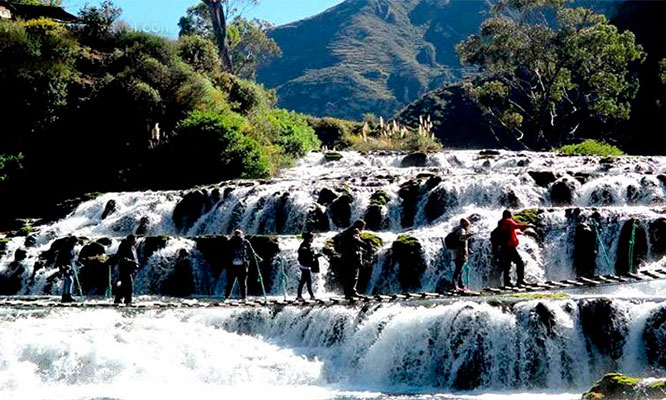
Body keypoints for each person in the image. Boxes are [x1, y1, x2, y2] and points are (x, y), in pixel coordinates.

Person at [225, 230, 262, 300]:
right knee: (231, 282)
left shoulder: (245, 242)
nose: (238, 236)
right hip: (232, 266)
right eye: (236, 234)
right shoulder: (230, 242)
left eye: (239, 234)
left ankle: (244, 298)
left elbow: (252, 252)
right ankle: (226, 297)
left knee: (242, 283)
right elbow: (226, 253)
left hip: (243, 265)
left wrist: (258, 258)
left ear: (242, 235)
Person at [499, 210, 531, 287]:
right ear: (509, 215)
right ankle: (520, 280)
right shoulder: (508, 220)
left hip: (504, 246)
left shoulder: (501, 222)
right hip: (509, 247)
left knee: (507, 265)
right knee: (519, 262)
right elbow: (516, 226)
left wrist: (518, 233)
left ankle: (507, 282)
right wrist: (528, 226)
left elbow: (509, 231)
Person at [340, 220, 368, 300]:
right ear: (360, 225)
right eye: (363, 226)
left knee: (348, 275)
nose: (363, 228)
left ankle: (347, 293)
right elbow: (356, 240)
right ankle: (352, 291)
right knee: (354, 275)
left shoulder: (347, 231)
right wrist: (365, 245)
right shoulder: (355, 230)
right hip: (352, 257)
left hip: (346, 256)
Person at [449, 218, 473, 291]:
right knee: (458, 270)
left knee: (460, 270)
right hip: (460, 253)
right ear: (465, 224)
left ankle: (461, 285)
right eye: (468, 225)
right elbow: (462, 239)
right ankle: (454, 285)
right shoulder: (462, 230)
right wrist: (468, 236)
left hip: (454, 252)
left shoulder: (456, 230)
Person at [296, 232, 322, 301]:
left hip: (305, 266)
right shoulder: (303, 246)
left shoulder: (307, 245)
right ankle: (307, 296)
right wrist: (314, 256)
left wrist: (315, 255)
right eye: (312, 238)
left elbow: (310, 255)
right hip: (304, 266)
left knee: (305, 281)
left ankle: (307, 295)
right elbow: (306, 254)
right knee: (306, 281)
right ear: (309, 238)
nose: (313, 239)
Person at [114, 234, 139, 305]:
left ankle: (119, 299)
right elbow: (121, 257)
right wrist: (132, 262)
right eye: (135, 240)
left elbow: (135, 257)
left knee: (124, 285)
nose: (135, 241)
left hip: (130, 269)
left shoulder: (132, 247)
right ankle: (128, 299)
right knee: (129, 284)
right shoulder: (124, 246)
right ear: (131, 240)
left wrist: (136, 264)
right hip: (124, 268)